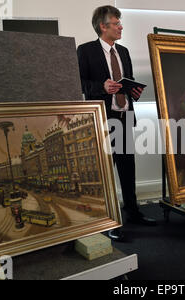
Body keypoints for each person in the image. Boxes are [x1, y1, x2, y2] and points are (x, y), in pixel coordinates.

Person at [77, 5, 156, 241]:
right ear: (103, 26)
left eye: (120, 22)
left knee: (127, 167)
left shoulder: (124, 51)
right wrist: (101, 87)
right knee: (105, 174)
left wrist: (134, 91)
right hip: (103, 120)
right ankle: (106, 221)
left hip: (124, 116)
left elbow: (126, 81)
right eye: (117, 23)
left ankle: (132, 212)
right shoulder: (86, 50)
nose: (121, 26)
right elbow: (79, 82)